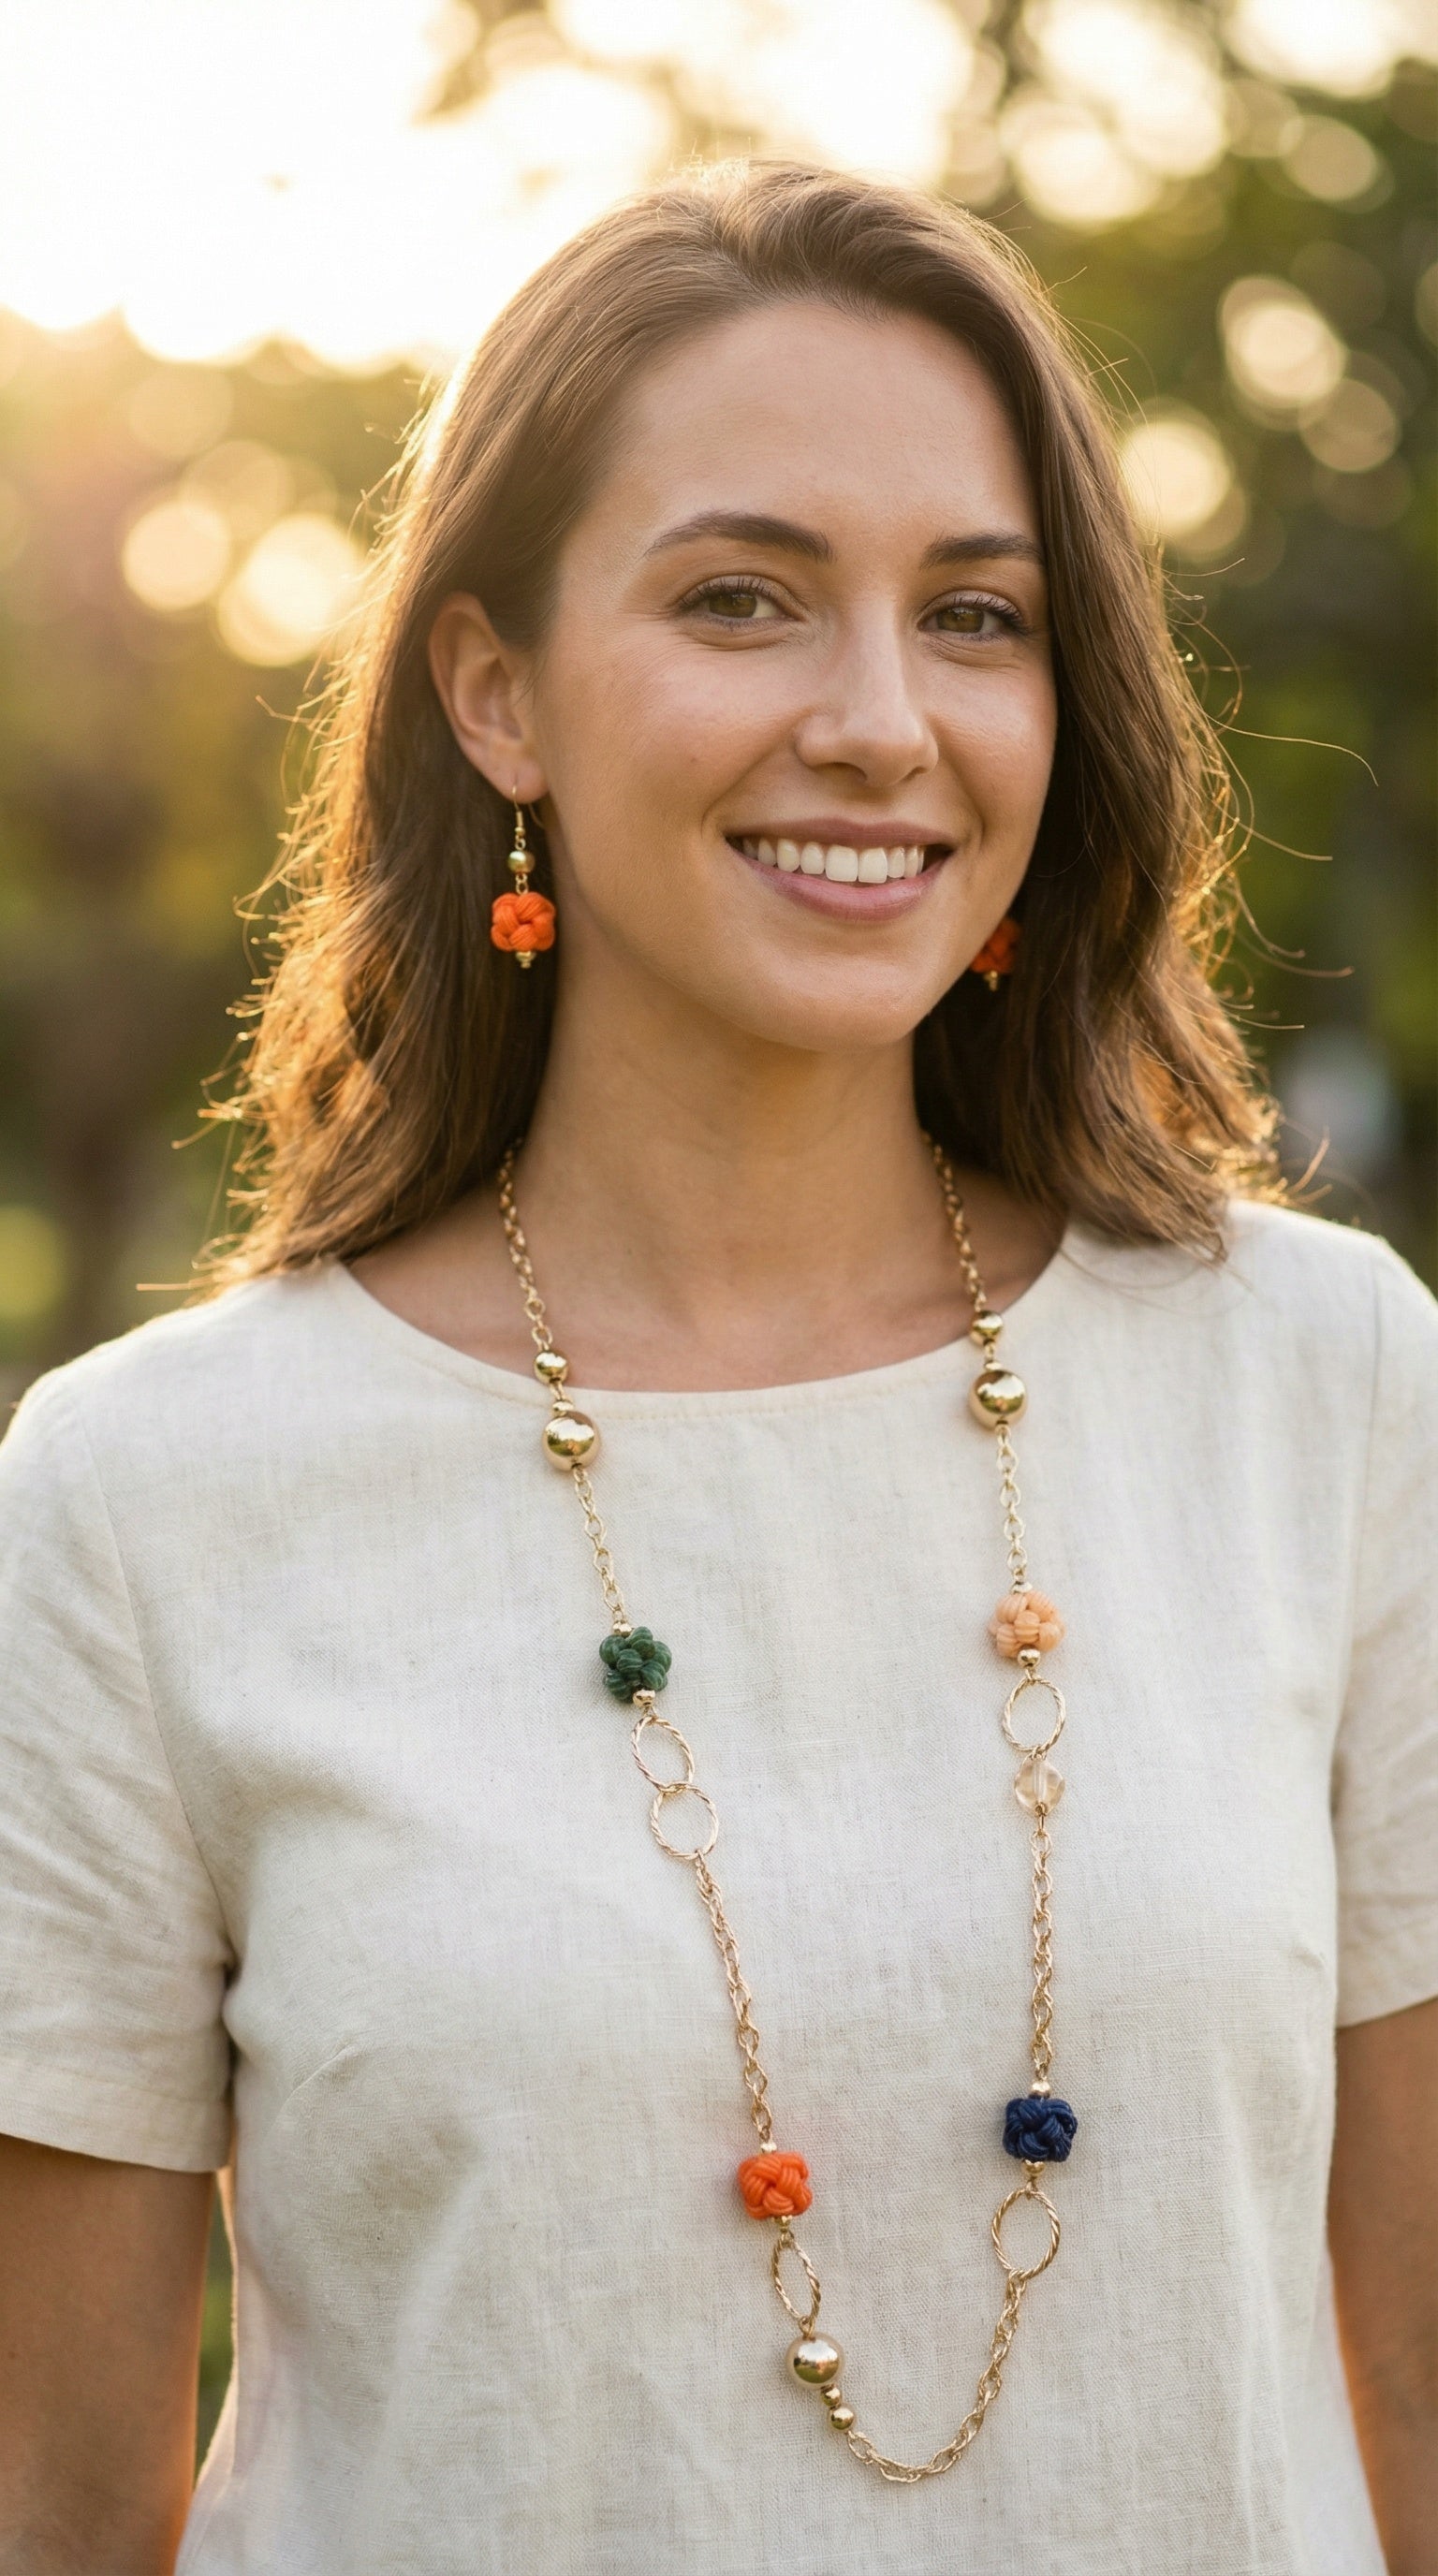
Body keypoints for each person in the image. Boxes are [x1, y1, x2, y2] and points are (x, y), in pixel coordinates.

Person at [0, 163, 1433, 2576]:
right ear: (496, 691)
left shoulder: (1329, 1394)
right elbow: (52, 2513)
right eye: (742, 599)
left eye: (974, 617)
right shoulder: (145, 1500)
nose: (879, 724)